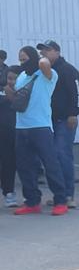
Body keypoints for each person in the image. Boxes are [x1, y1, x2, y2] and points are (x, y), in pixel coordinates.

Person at [6, 46, 65, 215]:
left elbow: (44, 63)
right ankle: (32, 201)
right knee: (25, 167)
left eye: (25, 59)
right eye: (20, 60)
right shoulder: (22, 77)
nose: (22, 63)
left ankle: (60, 200)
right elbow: (18, 101)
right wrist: (9, 92)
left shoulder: (48, 75)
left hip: (41, 127)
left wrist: (42, 58)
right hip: (21, 126)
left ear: (34, 58)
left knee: (50, 164)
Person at [36, 40, 79, 207]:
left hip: (64, 121)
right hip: (47, 121)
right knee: (51, 158)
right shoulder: (43, 72)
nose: (44, 53)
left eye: (47, 50)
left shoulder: (68, 70)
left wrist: (74, 113)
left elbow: (78, 93)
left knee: (62, 155)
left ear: (57, 51)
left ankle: (69, 195)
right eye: (42, 51)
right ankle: (59, 195)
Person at [0, 65, 17, 206]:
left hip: (12, 135)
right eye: (9, 79)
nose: (11, 82)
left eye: (14, 79)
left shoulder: (23, 92)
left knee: (9, 164)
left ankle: (9, 192)